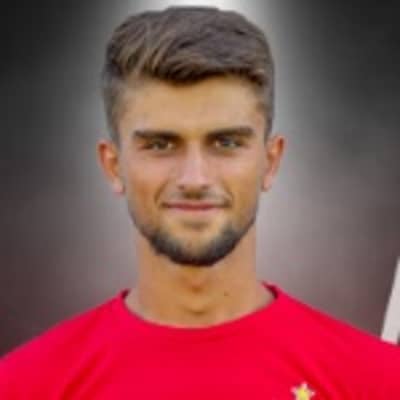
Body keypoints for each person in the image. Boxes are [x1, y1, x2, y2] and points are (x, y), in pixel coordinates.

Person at [0, 6, 399, 399]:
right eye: (160, 145)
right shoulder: (23, 386)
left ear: (270, 161)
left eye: (226, 142)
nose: (195, 179)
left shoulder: (378, 382)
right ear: (113, 165)